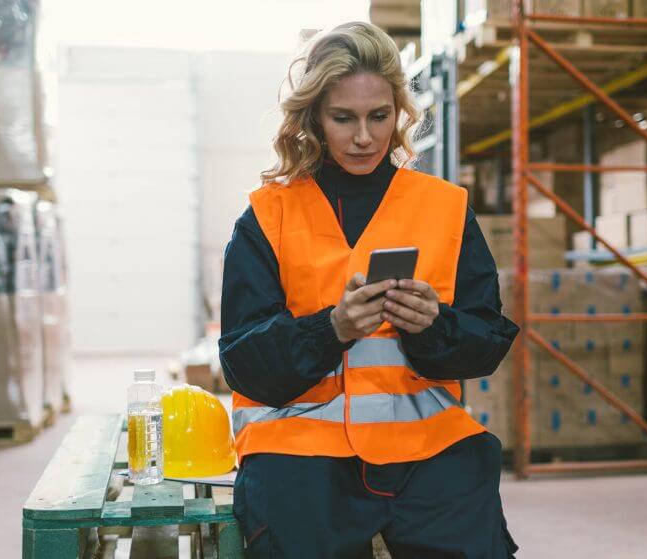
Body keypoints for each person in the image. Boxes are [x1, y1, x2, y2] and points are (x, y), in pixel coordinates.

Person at [219, 21, 520, 558]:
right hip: (300, 454)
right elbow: (243, 361)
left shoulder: (445, 209)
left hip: (426, 452)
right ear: (313, 117)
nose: (364, 136)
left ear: (399, 113)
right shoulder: (268, 216)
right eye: (344, 118)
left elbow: (486, 342)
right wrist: (330, 329)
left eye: (379, 117)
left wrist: (434, 326)